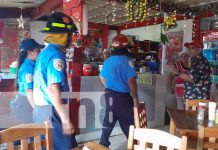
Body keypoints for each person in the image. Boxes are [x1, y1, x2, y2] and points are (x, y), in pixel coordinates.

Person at [33, 12, 78, 150]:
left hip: (41, 110)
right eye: (70, 34)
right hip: (52, 111)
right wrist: (65, 119)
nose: (71, 38)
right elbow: (53, 88)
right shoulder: (56, 55)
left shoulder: (44, 53)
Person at [99, 34, 139, 147]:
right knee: (128, 122)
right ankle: (134, 145)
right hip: (122, 96)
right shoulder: (127, 61)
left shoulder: (107, 61)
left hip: (109, 94)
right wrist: (135, 98)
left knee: (109, 118)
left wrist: (109, 87)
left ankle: (103, 144)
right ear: (126, 47)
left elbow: (101, 77)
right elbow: (131, 81)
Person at [13, 38, 44, 124]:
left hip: (27, 102)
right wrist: (37, 110)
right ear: (30, 52)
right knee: (29, 134)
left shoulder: (32, 65)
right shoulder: (28, 68)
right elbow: (29, 90)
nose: (40, 53)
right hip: (26, 103)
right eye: (38, 50)